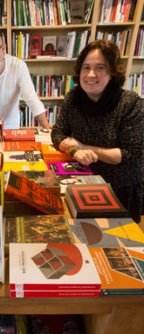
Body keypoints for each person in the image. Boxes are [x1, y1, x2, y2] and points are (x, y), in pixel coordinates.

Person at [51, 40, 144, 222]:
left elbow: (130, 155)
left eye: (100, 67)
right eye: (86, 67)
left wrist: (82, 146)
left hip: (120, 188)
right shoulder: (73, 97)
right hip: (82, 181)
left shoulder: (129, 103)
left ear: (112, 72)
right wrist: (74, 150)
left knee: (115, 242)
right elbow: (58, 132)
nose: (91, 74)